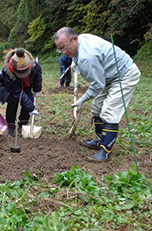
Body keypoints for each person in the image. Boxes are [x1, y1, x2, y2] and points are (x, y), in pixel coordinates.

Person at [53, 27, 141, 161]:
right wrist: (75, 63)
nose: (64, 52)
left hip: (124, 74)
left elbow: (97, 85)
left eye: (65, 47)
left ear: (74, 39)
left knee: (109, 110)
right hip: (107, 75)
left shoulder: (88, 57)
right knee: (96, 106)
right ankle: (100, 139)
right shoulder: (81, 41)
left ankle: (105, 151)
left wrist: (82, 99)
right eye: (60, 49)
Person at [0, 48, 42, 137]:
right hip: (6, 85)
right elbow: (17, 92)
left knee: (29, 99)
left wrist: (37, 90)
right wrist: (31, 108)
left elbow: (37, 78)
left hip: (25, 84)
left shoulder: (35, 66)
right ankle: (11, 126)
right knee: (13, 101)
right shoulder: (7, 72)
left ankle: (22, 124)